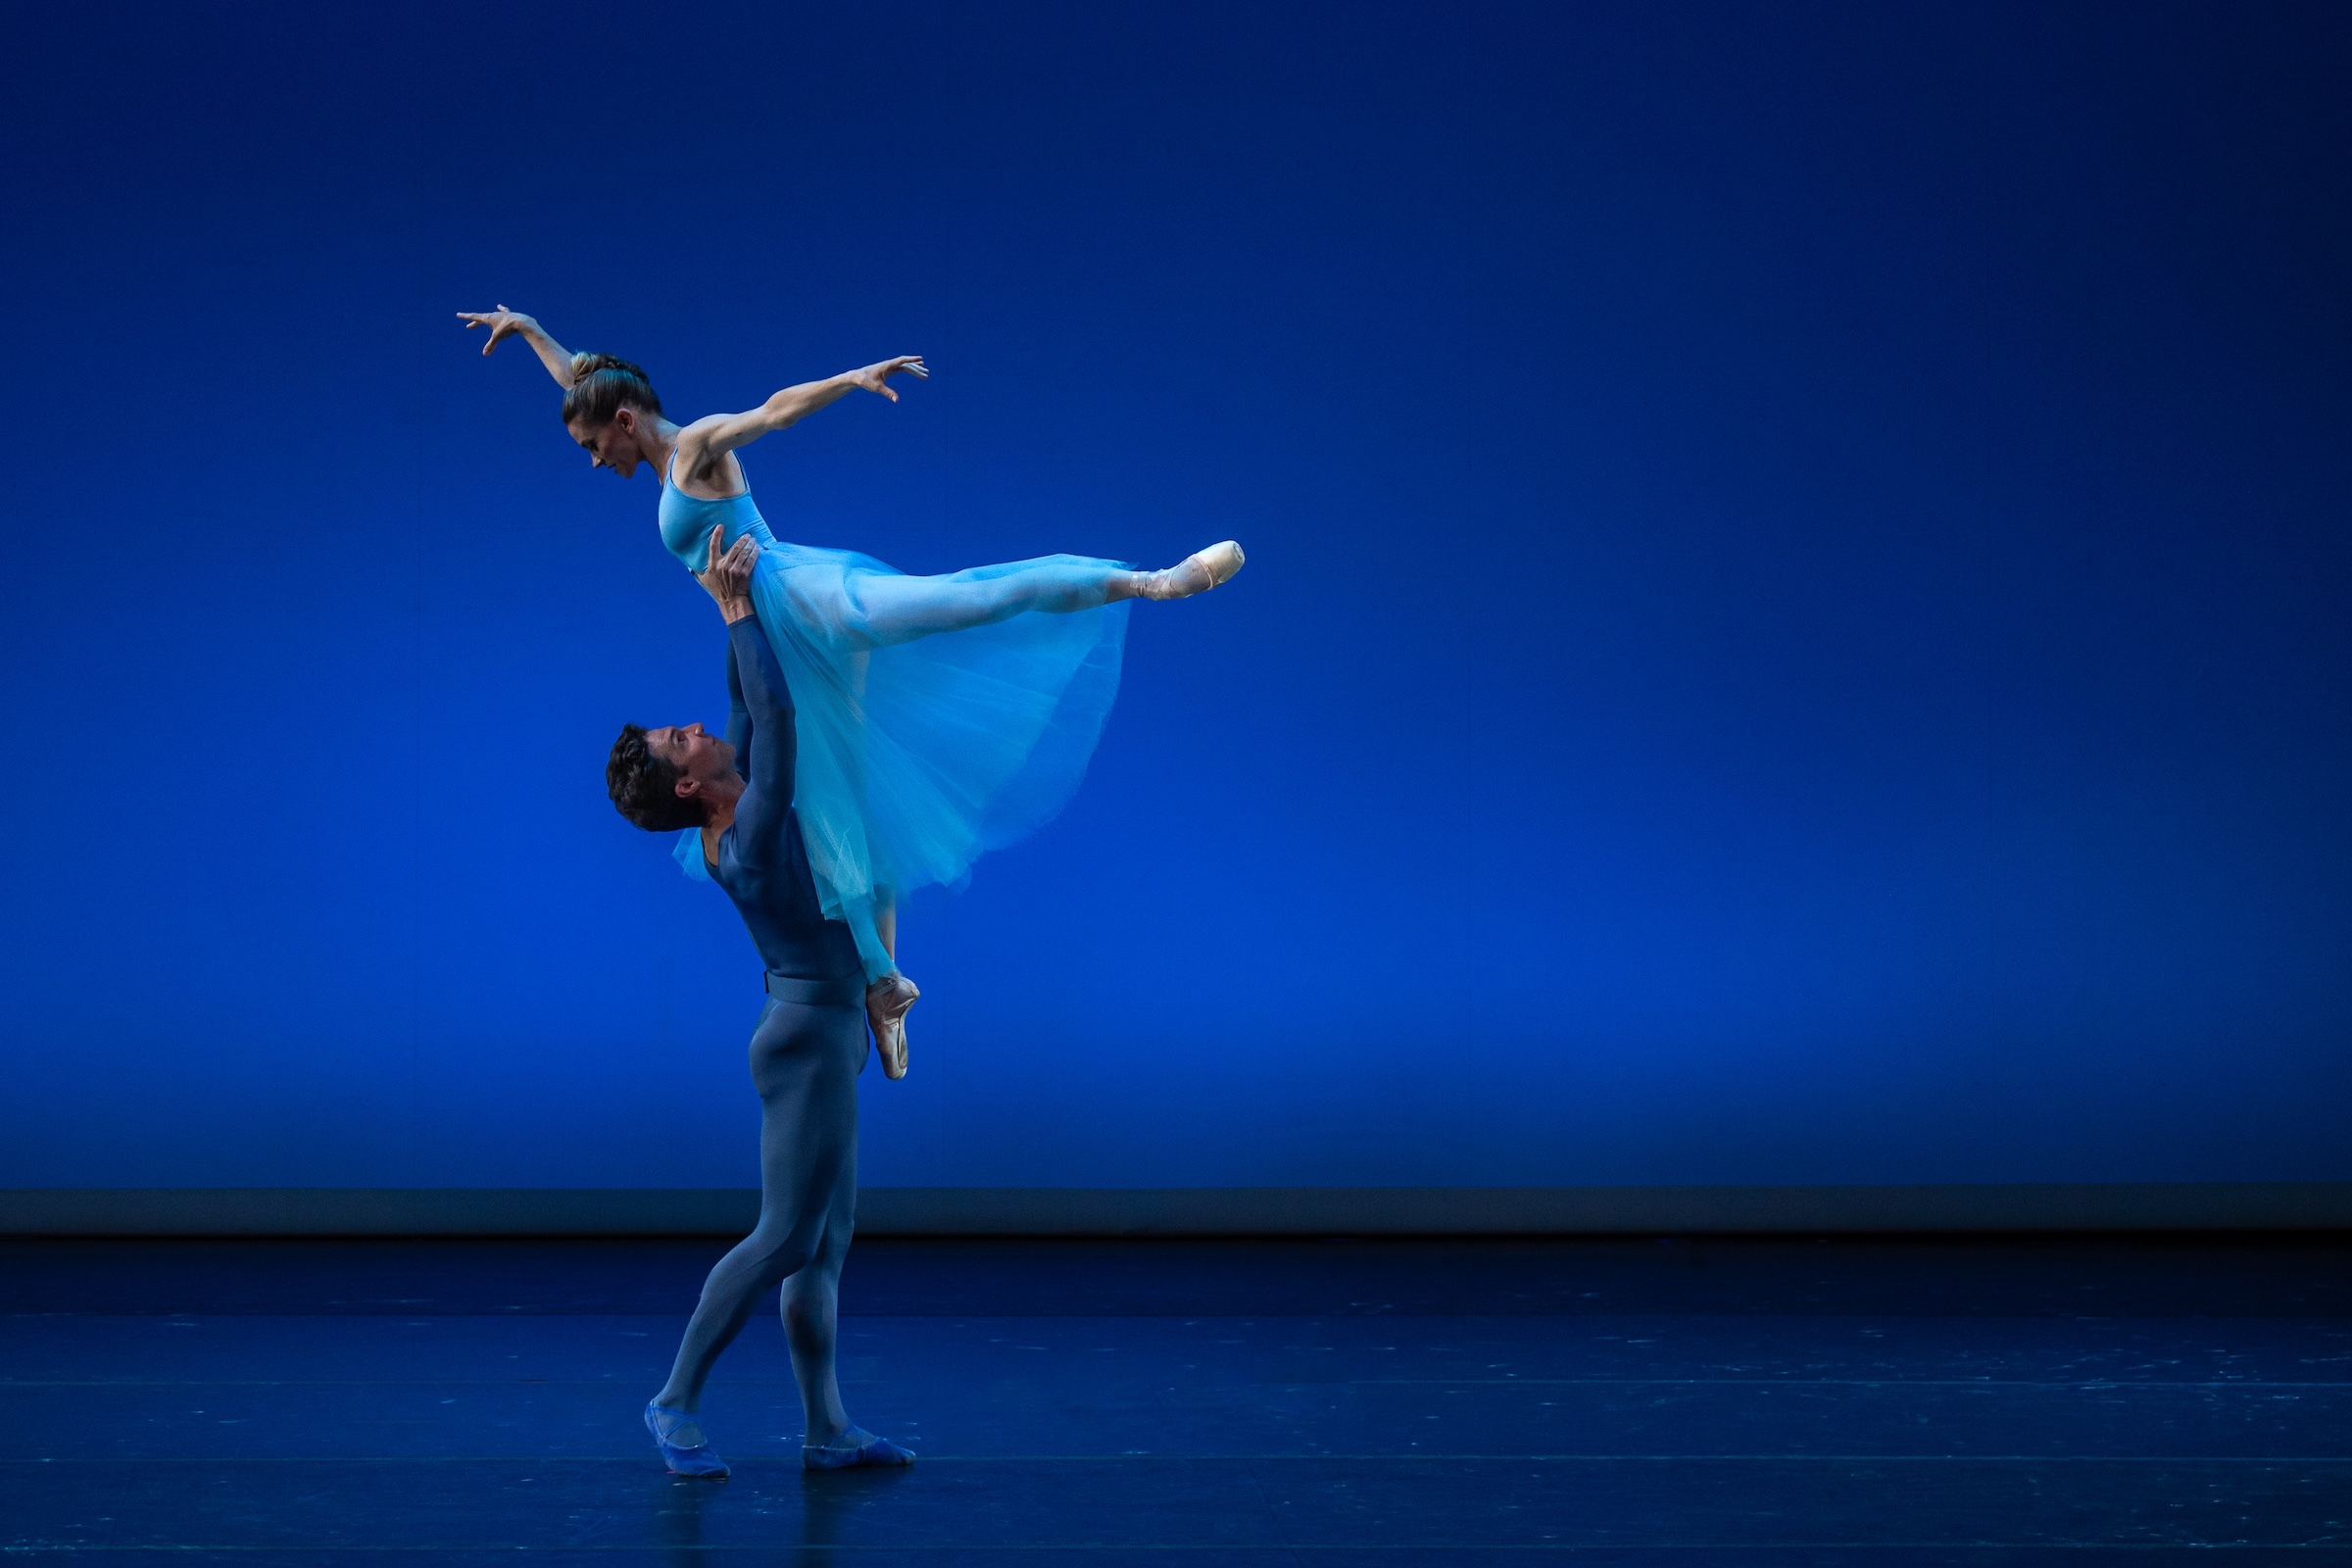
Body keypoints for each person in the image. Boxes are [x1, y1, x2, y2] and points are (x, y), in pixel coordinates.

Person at [462, 306, 1243, 1078]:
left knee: (966, 600)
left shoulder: (694, 448)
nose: (594, 461)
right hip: (768, 634)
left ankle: (1151, 581)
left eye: (595, 446)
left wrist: (850, 379)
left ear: (626, 422)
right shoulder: (642, 442)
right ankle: (882, 984)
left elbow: (771, 414)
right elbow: (584, 379)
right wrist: (531, 331)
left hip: (806, 602)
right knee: (835, 803)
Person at [609, 526, 917, 1476]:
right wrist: (740, 614)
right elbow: (776, 730)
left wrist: (728, 609)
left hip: (830, 1030)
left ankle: (826, 1428)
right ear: (692, 784)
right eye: (680, 739)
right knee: (783, 1233)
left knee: (824, 1243)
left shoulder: (735, 799)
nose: (695, 727)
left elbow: (750, 704)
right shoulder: (744, 838)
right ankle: (672, 1400)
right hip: (801, 1039)